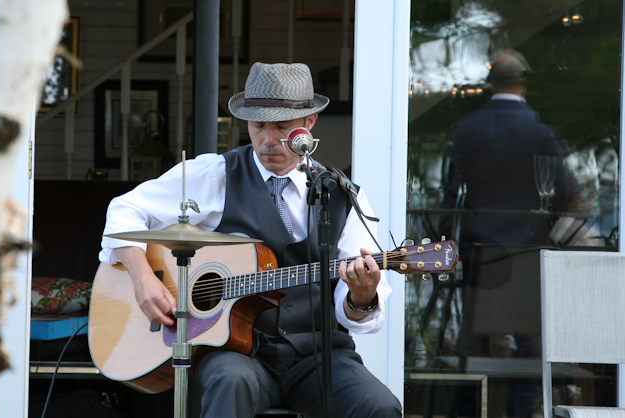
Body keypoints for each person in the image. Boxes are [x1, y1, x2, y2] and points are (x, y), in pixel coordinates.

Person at [99, 62, 402, 418]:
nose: (268, 139)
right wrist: (142, 278)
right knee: (231, 382)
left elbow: (356, 316)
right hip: (238, 353)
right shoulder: (215, 175)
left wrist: (362, 297)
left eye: (282, 127)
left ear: (309, 125)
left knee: (380, 407)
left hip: (319, 358)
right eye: (258, 126)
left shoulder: (342, 197)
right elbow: (124, 211)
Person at [440, 50, 572, 418]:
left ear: (491, 86)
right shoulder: (542, 133)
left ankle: (466, 411)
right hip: (529, 247)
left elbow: (451, 193)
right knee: (529, 340)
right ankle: (519, 412)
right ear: (523, 84)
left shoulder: (467, 129)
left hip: (479, 247)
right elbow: (561, 192)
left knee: (475, 336)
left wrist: (441, 238)